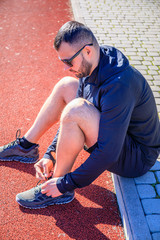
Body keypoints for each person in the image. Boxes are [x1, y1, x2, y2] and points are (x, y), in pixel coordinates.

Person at [0, 21, 160, 209]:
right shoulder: (92, 63)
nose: (66, 67)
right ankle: (27, 146)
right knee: (66, 85)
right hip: (119, 138)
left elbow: (108, 153)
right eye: (62, 61)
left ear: (87, 51)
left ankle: (56, 187)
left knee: (76, 108)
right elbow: (69, 115)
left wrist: (65, 183)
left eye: (69, 61)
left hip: (137, 159)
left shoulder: (119, 85)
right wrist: (49, 155)